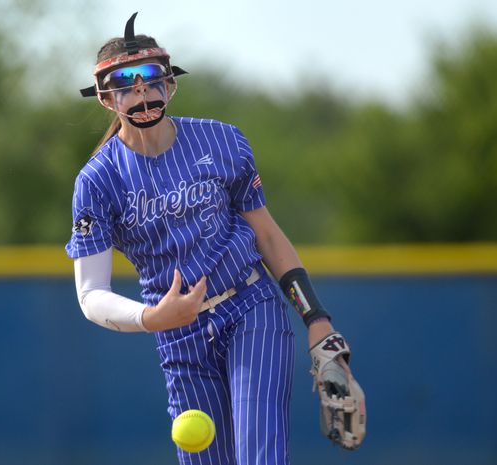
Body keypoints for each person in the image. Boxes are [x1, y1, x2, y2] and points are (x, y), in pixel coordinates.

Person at [66, 13, 365, 465]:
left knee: (260, 453)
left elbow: (267, 235)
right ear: (106, 98)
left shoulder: (222, 140)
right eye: (124, 82)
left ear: (171, 84)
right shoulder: (97, 180)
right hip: (178, 336)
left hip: (250, 306)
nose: (141, 91)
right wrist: (151, 317)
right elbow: (90, 294)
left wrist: (317, 320)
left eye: (151, 77)